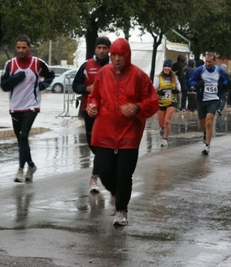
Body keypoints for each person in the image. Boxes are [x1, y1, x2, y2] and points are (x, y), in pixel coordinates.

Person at [86, 38, 158, 226]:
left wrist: (136, 107)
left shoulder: (139, 76)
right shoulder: (102, 74)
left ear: (127, 55)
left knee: (124, 175)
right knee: (104, 172)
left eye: (120, 55)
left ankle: (121, 211)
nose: (117, 59)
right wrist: (92, 106)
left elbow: (152, 102)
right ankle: (115, 192)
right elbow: (94, 96)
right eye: (114, 55)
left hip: (129, 135)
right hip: (104, 134)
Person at [1, 34, 55, 183]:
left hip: (32, 105)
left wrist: (43, 85)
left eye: (24, 47)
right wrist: (15, 78)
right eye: (18, 47)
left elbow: (51, 75)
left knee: (24, 136)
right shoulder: (10, 64)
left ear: (30, 47)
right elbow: (4, 86)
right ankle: (31, 165)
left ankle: (20, 170)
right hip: (15, 107)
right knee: (21, 140)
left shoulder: (37, 63)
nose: (21, 50)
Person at [72, 36, 111, 193]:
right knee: (93, 144)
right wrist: (88, 89)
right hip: (89, 110)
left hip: (107, 111)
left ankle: (94, 177)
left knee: (102, 145)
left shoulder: (113, 65)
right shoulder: (86, 65)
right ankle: (105, 164)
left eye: (104, 48)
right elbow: (75, 85)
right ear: (95, 49)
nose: (101, 51)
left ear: (109, 50)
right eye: (99, 47)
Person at [188, 52, 228, 155]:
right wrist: (197, 85)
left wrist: (223, 86)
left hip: (214, 99)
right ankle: (205, 133)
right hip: (201, 99)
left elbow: (225, 80)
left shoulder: (219, 71)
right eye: (206, 61)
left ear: (214, 61)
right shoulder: (200, 70)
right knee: (202, 124)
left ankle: (207, 146)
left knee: (209, 121)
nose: (208, 63)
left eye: (210, 62)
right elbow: (190, 80)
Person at [155, 59, 181, 147]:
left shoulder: (174, 78)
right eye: (165, 66)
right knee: (161, 123)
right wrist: (158, 92)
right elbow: (152, 90)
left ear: (171, 68)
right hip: (161, 102)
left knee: (167, 121)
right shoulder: (158, 79)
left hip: (172, 102)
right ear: (163, 68)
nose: (167, 68)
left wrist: (176, 90)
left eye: (168, 66)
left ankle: (165, 139)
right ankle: (163, 128)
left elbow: (179, 88)